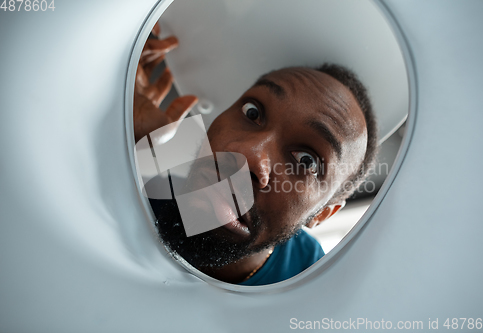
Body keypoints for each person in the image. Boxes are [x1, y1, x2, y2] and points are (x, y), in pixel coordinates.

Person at [134, 24, 377, 286]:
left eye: (306, 160)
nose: (246, 153)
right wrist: (117, 132)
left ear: (322, 214)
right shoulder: (139, 192)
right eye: (253, 113)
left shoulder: (309, 283)